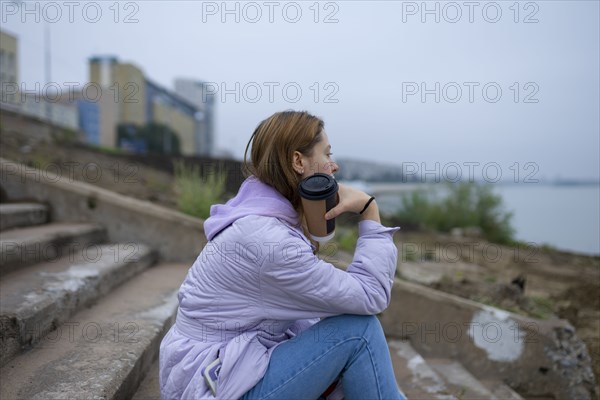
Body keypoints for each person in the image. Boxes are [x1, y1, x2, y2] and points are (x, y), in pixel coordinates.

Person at [159, 110, 407, 400]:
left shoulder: (262, 219)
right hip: (214, 386)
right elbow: (371, 296)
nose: (334, 166)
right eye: (326, 154)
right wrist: (369, 211)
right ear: (298, 161)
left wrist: (312, 215)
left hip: (224, 367)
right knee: (358, 331)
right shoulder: (269, 241)